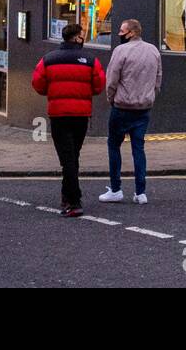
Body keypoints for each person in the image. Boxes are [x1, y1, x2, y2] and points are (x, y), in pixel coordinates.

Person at [32, 24, 105, 218]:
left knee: (68, 159)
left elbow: (38, 84)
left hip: (59, 115)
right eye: (82, 35)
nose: (84, 38)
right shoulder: (90, 60)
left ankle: (73, 201)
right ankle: (70, 197)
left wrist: (54, 91)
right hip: (81, 115)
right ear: (76, 38)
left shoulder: (48, 59)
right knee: (73, 156)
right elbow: (99, 85)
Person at [100, 19, 162, 206]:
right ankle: (140, 192)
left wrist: (111, 98)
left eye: (122, 30)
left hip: (122, 107)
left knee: (113, 146)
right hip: (144, 108)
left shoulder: (121, 51)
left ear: (132, 32)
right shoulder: (153, 50)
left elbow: (111, 80)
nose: (119, 34)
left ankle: (116, 189)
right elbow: (158, 79)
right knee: (138, 149)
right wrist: (150, 96)